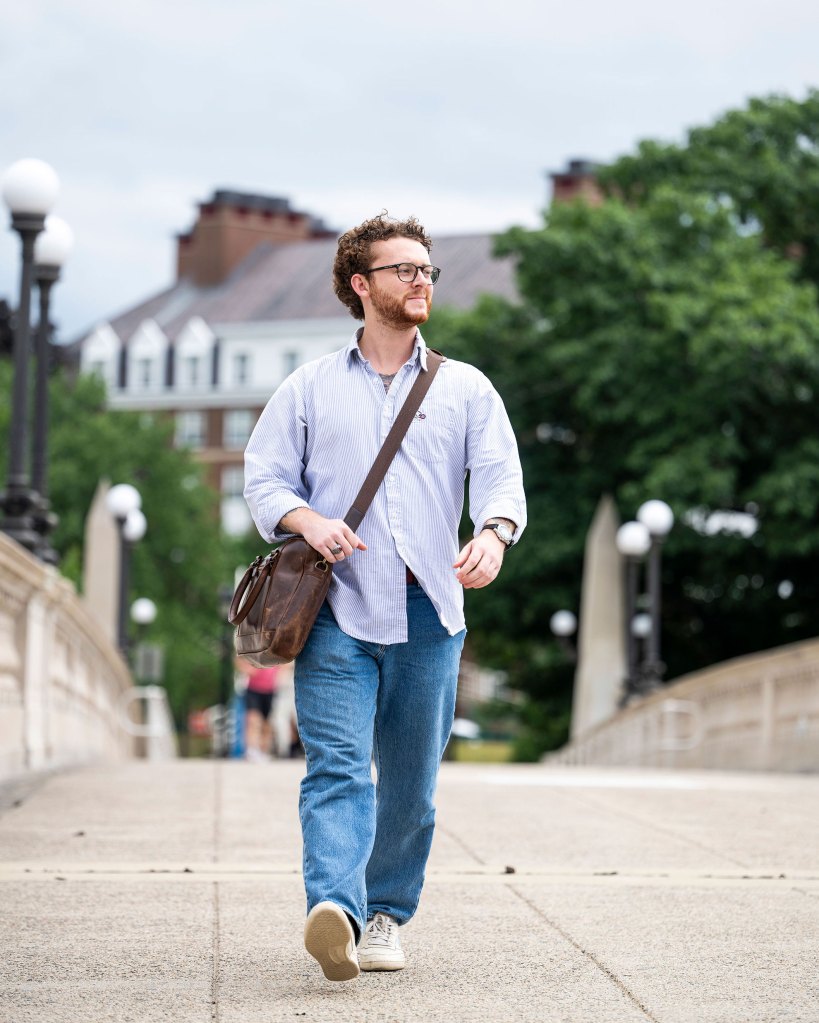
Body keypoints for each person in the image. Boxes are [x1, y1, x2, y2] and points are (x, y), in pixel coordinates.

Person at [244, 213, 526, 982]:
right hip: (334, 614)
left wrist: (494, 534)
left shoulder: (465, 388)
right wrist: (308, 520)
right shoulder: (307, 388)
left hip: (430, 616)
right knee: (336, 766)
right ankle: (332, 906)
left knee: (410, 785)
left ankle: (383, 913)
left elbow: (499, 476)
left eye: (427, 270)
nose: (421, 280)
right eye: (404, 269)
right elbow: (264, 476)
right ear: (360, 284)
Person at [236, 658, 278, 763]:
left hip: (270, 689)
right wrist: (247, 669)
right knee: (253, 720)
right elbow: (238, 658)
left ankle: (263, 751)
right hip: (253, 689)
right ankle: (252, 750)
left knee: (267, 723)